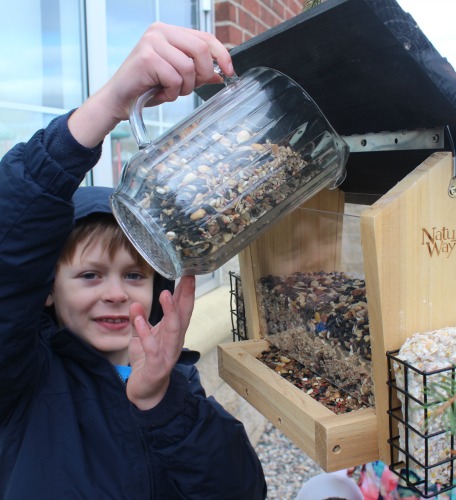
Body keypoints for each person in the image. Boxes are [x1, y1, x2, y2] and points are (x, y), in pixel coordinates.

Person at [0, 22, 266, 499]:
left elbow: (240, 490)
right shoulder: (23, 375)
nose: (117, 292)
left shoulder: (176, 382)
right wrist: (108, 105)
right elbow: (8, 253)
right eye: (89, 275)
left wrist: (161, 403)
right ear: (46, 288)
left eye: (134, 275)